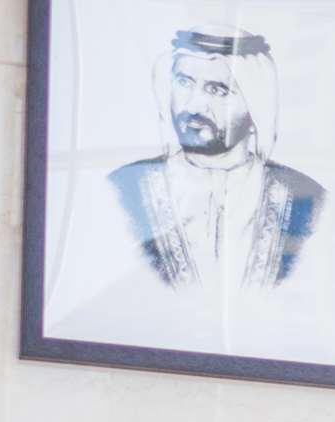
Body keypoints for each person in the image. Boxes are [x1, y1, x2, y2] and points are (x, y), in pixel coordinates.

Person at [110, 29, 324, 296]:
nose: (195, 106)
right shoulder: (122, 188)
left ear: (256, 104)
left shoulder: (308, 199)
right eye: (184, 82)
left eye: (218, 90)